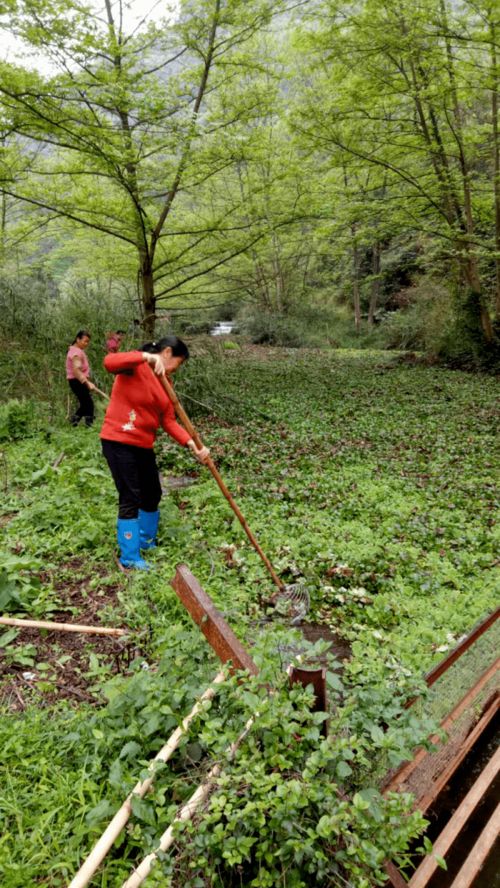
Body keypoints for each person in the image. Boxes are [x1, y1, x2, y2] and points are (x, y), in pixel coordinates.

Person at [100, 336, 210, 569]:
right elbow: (109, 362)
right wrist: (146, 357)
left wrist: (193, 445)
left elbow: (169, 421)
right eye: (178, 363)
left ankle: (145, 541)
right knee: (130, 496)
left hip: (142, 445)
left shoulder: (165, 382)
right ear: (167, 352)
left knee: (152, 493)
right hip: (119, 441)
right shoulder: (136, 364)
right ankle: (130, 556)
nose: (177, 370)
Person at [66, 330, 96, 426]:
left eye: (88, 342)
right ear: (78, 339)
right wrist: (87, 382)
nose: (86, 344)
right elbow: (76, 370)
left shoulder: (76, 351)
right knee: (89, 404)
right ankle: (89, 426)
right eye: (85, 341)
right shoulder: (76, 352)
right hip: (77, 381)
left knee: (85, 403)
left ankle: (73, 422)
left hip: (77, 381)